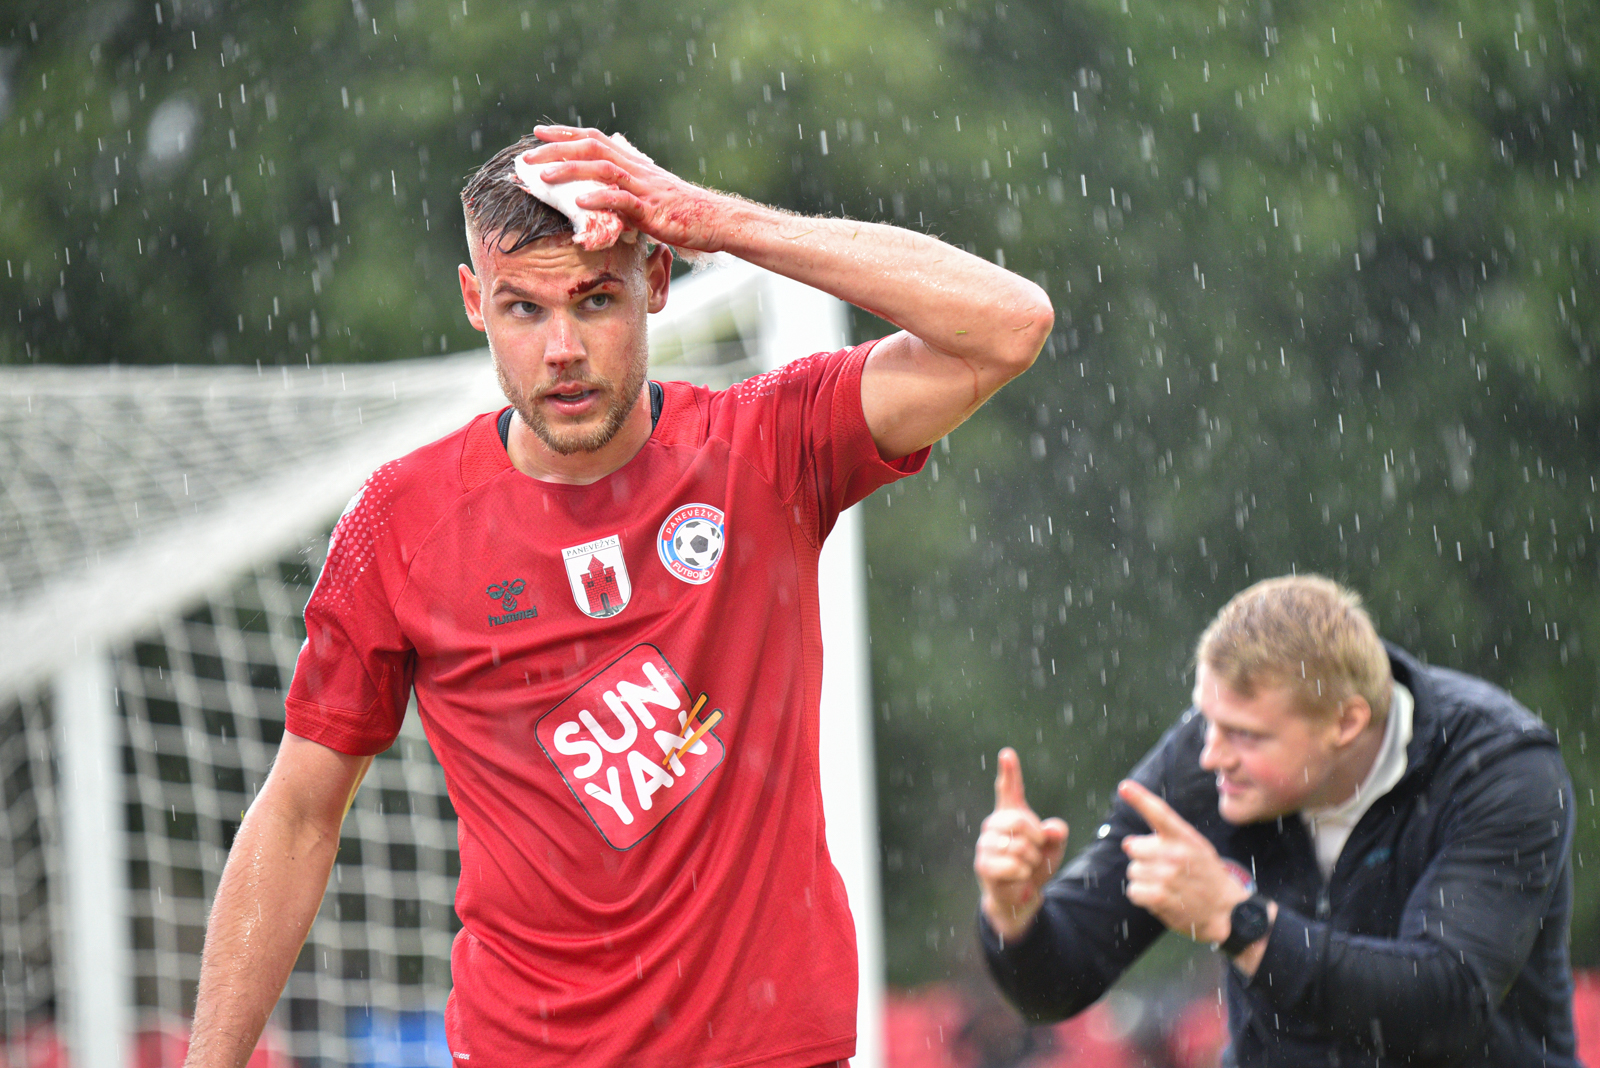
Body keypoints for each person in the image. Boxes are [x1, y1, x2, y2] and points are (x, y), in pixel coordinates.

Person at [183, 125, 1053, 1068]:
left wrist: (715, 219)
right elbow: (299, 814)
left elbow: (1009, 324)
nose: (562, 349)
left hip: (771, 1053)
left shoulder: (764, 447)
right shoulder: (401, 520)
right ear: (474, 302)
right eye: (523, 308)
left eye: (596, 299)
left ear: (657, 281)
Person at [974, 574, 1582, 1066]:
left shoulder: (1499, 768)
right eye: (1205, 719)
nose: (1210, 755)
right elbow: (1058, 986)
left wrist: (1238, 921)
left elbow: (1443, 1006)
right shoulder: (1207, 760)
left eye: (1246, 734)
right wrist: (1013, 912)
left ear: (1346, 723)